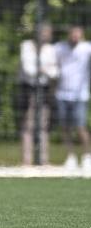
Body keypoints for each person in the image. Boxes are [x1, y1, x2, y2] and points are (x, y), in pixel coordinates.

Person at [18, 23, 58, 166]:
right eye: (45, 32)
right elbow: (28, 69)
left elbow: (55, 72)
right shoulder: (26, 46)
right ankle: (26, 160)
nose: (47, 35)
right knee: (28, 125)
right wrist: (45, 69)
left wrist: (43, 69)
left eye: (49, 32)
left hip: (45, 90)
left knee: (43, 125)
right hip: (29, 89)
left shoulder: (51, 49)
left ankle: (43, 159)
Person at [54, 26, 91, 170]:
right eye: (73, 33)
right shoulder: (59, 48)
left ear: (82, 35)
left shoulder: (86, 48)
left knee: (80, 126)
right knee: (65, 127)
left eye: (78, 34)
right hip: (62, 93)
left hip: (80, 94)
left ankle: (87, 156)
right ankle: (70, 157)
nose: (75, 36)